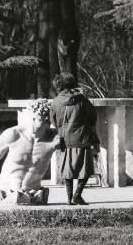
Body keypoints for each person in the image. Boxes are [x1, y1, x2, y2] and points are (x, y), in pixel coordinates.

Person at [0, 98, 61, 205]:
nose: (31, 123)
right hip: (6, 192)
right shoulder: (13, 135)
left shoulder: (54, 139)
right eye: (31, 118)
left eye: (37, 120)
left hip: (34, 195)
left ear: (49, 121)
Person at [50, 73, 99, 205]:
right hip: (82, 138)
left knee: (67, 170)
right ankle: (77, 195)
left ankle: (69, 198)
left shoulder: (55, 101)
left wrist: (62, 129)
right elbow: (93, 116)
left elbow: (53, 120)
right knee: (86, 169)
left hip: (65, 140)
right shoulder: (82, 99)